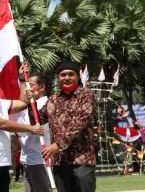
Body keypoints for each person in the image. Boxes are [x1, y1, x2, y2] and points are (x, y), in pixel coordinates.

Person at [28, 62, 97, 192]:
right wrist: (30, 102)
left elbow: (79, 124)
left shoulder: (86, 95)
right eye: (63, 75)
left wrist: (58, 145)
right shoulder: (53, 100)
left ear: (77, 77)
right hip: (60, 162)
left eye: (71, 74)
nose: (66, 77)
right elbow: (37, 120)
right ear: (58, 77)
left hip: (82, 160)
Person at [21, 72, 52, 192]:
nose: (28, 88)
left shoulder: (45, 104)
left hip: (40, 158)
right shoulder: (30, 104)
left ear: (42, 87)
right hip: (29, 159)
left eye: (31, 85)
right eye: (27, 85)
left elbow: (35, 128)